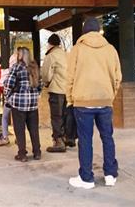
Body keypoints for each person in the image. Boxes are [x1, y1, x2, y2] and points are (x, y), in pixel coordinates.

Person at [66, 17, 122, 189]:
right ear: (99, 31)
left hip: (83, 102)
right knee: (107, 138)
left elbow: (70, 77)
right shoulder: (111, 49)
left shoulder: (77, 49)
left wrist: (70, 99)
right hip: (105, 101)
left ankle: (87, 178)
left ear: (84, 32)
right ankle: (110, 175)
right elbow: (118, 77)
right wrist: (110, 95)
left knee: (85, 140)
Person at [4, 47, 42, 162]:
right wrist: (34, 95)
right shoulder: (35, 68)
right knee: (34, 129)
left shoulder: (16, 67)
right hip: (32, 105)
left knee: (19, 129)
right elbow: (40, 85)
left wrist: (8, 97)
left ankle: (22, 154)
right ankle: (37, 152)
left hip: (19, 104)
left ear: (20, 55)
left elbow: (8, 85)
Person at [41, 34, 69, 153]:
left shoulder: (51, 56)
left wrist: (46, 83)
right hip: (67, 90)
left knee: (56, 116)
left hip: (56, 89)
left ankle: (58, 141)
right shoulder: (66, 55)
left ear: (50, 44)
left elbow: (46, 75)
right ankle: (65, 137)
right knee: (64, 115)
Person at [0, 52, 18, 146]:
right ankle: (18, 138)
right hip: (18, 100)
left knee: (5, 117)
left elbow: (1, 83)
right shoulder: (23, 70)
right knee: (17, 119)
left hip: (9, 99)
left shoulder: (7, 71)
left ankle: (5, 138)